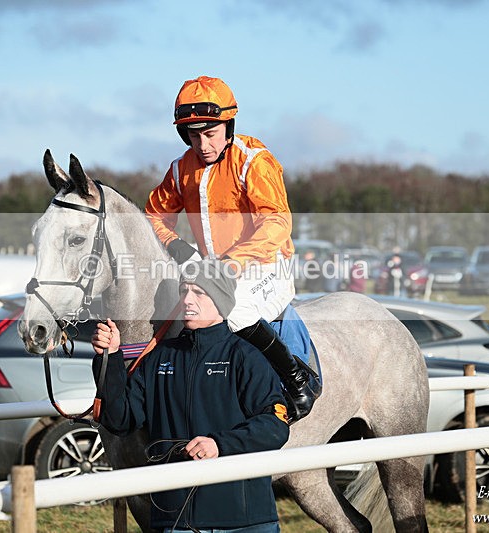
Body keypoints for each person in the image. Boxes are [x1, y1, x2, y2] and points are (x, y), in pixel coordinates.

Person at [144, 75, 319, 422]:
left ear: (228, 126)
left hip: (268, 265)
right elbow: (152, 216)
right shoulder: (181, 170)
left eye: (210, 133)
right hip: (213, 273)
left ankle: (297, 378)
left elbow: (277, 222)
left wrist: (233, 262)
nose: (203, 144)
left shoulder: (253, 160)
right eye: (194, 135)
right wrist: (176, 245)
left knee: (233, 310)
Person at [91, 259, 290, 533]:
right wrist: (110, 358)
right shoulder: (158, 358)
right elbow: (120, 420)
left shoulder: (246, 357)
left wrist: (220, 445)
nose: (187, 299)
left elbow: (275, 426)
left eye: (199, 292)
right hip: (174, 521)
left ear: (220, 300)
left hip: (243, 522)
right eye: (184, 291)